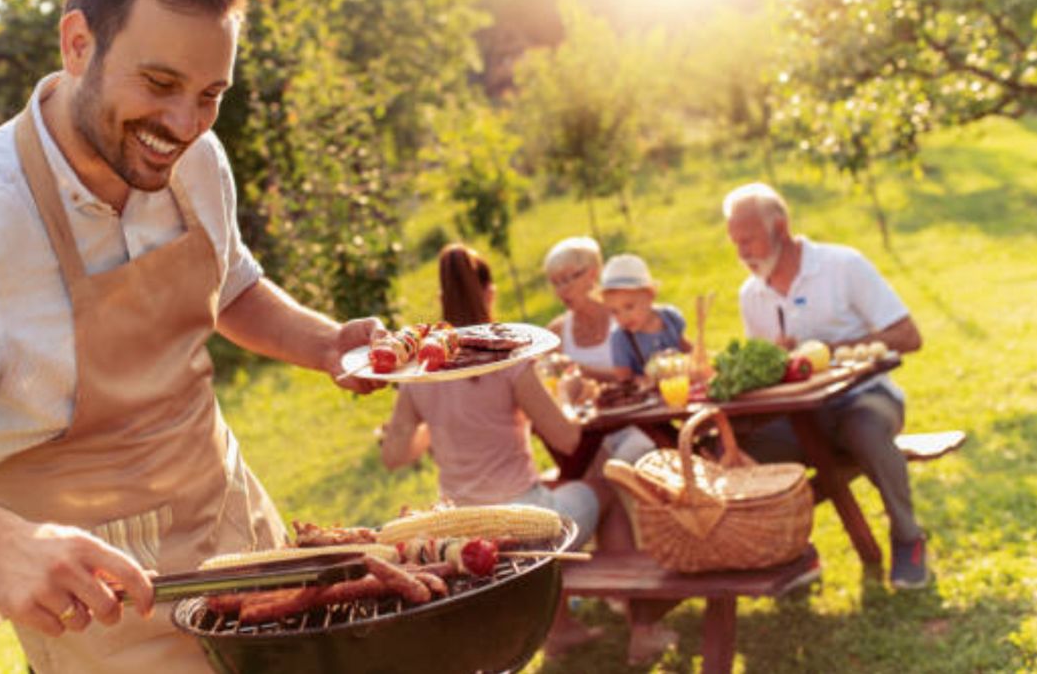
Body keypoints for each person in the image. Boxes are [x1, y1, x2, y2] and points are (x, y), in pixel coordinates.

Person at [0, 0, 385, 671]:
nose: (186, 125)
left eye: (209, 96)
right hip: (104, 609)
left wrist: (322, 345)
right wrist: (0, 545)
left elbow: (231, 283)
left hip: (245, 547)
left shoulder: (193, 161)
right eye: (159, 83)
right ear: (76, 43)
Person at [378, 243, 672, 664]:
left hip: (458, 530)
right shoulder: (507, 359)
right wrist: (569, 395)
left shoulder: (419, 373)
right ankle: (641, 626)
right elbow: (567, 439)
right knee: (605, 481)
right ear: (490, 293)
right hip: (523, 522)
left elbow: (394, 455)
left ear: (442, 300)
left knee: (562, 485)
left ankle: (563, 629)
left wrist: (437, 425)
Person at [722, 182, 929, 589]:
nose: (741, 252)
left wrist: (830, 349)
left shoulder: (843, 265)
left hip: (866, 399)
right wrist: (775, 363)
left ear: (780, 228)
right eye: (734, 242)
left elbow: (909, 336)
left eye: (748, 239)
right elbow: (769, 374)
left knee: (864, 430)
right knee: (741, 454)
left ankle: (909, 539)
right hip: (801, 416)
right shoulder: (752, 294)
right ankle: (795, 555)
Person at [599, 253, 692, 384]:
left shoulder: (669, 318)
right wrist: (644, 381)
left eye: (629, 307)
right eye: (614, 311)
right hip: (648, 400)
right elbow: (624, 379)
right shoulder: (621, 338)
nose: (623, 317)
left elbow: (687, 349)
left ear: (650, 296)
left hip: (681, 389)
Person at [544, 236, 618, 382]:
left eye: (566, 279)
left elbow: (639, 374)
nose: (561, 291)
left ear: (592, 274)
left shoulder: (622, 317)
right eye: (555, 283)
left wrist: (580, 370)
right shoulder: (555, 334)